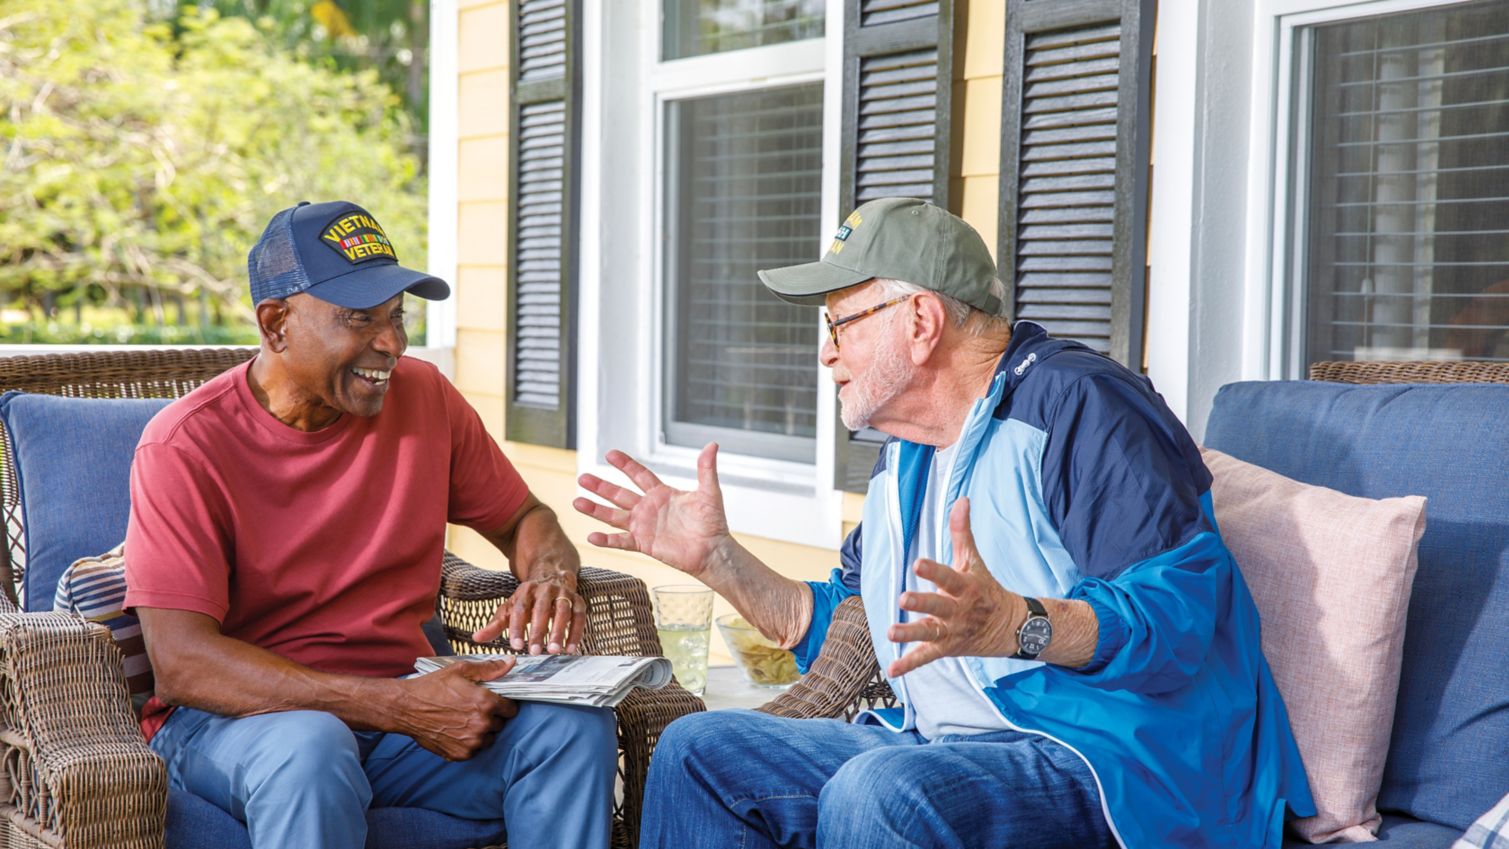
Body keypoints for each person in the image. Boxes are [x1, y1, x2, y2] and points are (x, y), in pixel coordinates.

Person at [574, 197, 1315, 848]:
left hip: (1120, 763)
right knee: (699, 748)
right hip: (943, 744)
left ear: (921, 321)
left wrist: (1018, 624)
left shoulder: (1081, 405)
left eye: (840, 323)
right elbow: (856, 622)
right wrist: (719, 562)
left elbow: (1179, 618)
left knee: (883, 789)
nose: (826, 353)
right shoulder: (907, 457)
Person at [124, 200, 617, 849]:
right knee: (312, 743)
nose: (391, 343)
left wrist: (550, 575)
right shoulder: (184, 446)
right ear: (276, 324)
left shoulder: (426, 398)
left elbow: (525, 517)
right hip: (239, 722)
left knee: (571, 725)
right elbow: (182, 663)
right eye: (361, 320)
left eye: (397, 316)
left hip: (398, 715)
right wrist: (398, 706)